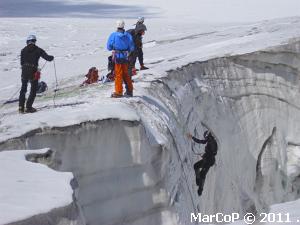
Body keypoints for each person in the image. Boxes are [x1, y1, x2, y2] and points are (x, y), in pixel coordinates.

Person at [19, 35, 54, 113]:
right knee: (33, 90)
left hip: (24, 71)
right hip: (33, 71)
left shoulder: (23, 50)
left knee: (23, 89)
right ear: (34, 41)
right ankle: (28, 107)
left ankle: (21, 108)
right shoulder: (38, 49)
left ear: (27, 41)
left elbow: (21, 62)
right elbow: (48, 58)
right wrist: (52, 57)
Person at [107, 20, 135, 98]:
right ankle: (130, 90)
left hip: (117, 57)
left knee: (118, 74)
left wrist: (115, 47)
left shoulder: (113, 35)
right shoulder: (128, 35)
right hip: (125, 57)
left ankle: (119, 92)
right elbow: (132, 47)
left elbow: (108, 47)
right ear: (123, 25)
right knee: (126, 74)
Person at [187, 130, 218, 196]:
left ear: (207, 136)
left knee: (202, 173)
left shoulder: (211, 141)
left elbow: (211, 152)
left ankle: (200, 189)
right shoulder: (212, 141)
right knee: (196, 166)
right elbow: (213, 152)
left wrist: (206, 155)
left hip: (208, 161)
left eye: (205, 137)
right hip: (207, 160)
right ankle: (198, 180)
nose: (205, 139)